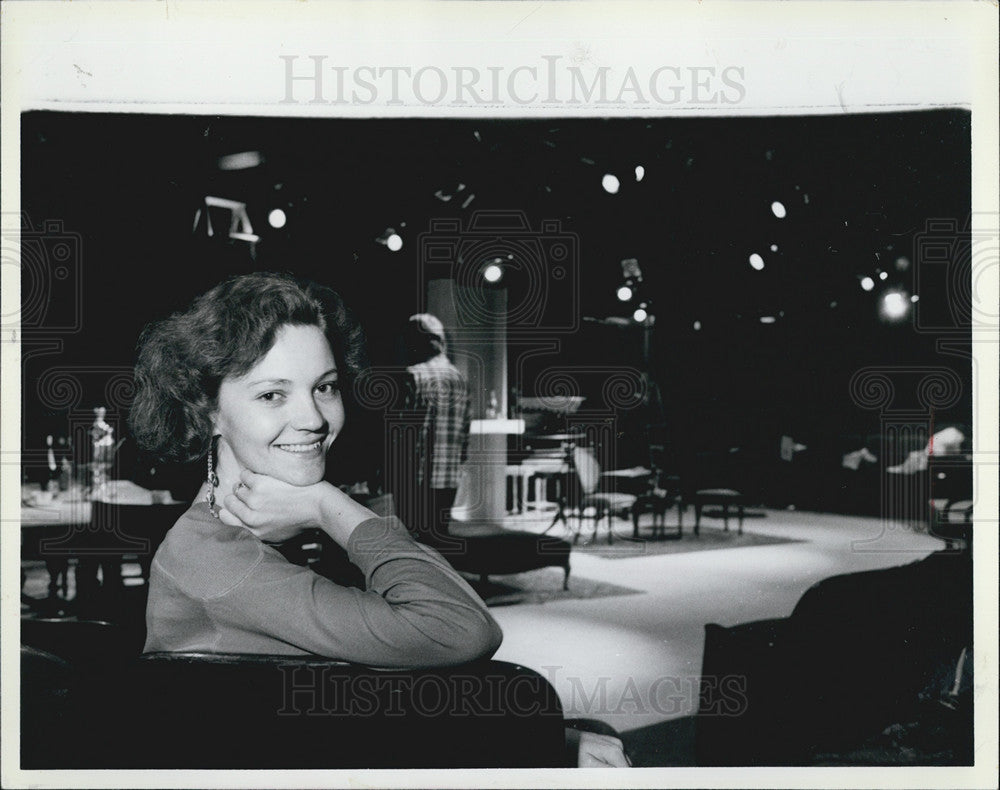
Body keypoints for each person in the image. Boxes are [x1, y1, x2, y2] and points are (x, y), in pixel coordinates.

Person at [129, 272, 502, 667]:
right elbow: (463, 628)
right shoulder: (223, 565)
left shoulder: (228, 531)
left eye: (325, 387)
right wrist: (325, 503)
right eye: (272, 395)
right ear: (208, 413)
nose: (313, 419)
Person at [394, 313, 471, 549]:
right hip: (448, 475)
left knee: (411, 541)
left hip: (416, 476)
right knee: (438, 538)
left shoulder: (414, 375)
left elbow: (404, 433)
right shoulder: (459, 378)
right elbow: (465, 434)